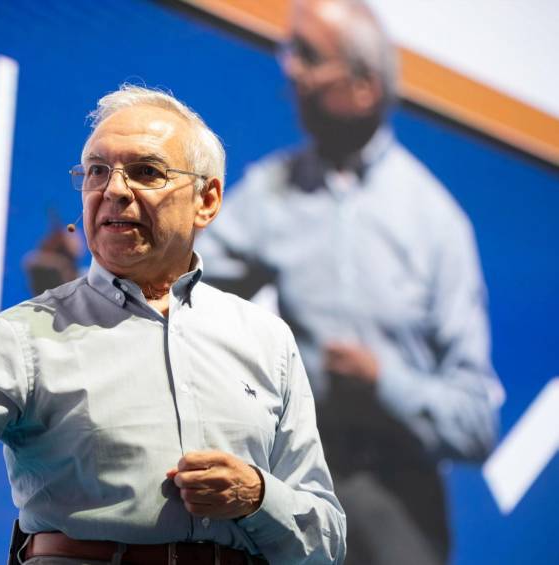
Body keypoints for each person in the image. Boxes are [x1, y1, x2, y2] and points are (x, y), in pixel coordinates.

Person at [0, 85, 346, 565]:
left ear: (206, 200)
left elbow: (327, 539)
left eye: (145, 171)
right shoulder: (22, 336)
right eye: (96, 171)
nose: (113, 190)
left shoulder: (265, 339)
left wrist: (257, 496)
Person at [195, 1, 504, 564]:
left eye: (309, 56)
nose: (289, 68)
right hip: (292, 487)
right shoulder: (270, 192)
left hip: (398, 509)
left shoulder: (436, 224)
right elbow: (181, 277)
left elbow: (476, 422)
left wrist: (385, 382)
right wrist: (101, 267)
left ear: (364, 86)